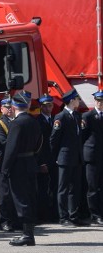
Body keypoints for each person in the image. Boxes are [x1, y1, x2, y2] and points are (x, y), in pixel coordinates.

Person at [3, 93, 43, 246]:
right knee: (30, 197)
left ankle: (27, 234)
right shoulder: (33, 121)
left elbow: (11, 149)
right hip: (30, 162)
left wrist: (5, 168)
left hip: (18, 164)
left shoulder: (17, 123)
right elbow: (40, 143)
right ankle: (29, 233)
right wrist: (34, 158)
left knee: (21, 199)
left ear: (13, 107)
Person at [51, 89, 88, 226]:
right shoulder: (61, 117)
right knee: (63, 188)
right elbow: (53, 140)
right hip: (65, 157)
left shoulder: (77, 116)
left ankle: (74, 215)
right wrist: (55, 156)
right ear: (72, 100)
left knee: (75, 188)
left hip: (76, 157)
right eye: (77, 99)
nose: (79, 101)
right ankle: (63, 217)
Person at [0, 96, 20, 232]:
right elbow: (2, 141)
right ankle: (5, 221)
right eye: (7, 107)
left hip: (16, 162)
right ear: (1, 109)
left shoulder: (17, 121)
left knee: (16, 193)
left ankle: (16, 220)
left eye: (11, 107)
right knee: (4, 195)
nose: (9, 110)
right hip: (4, 162)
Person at [35, 95, 59, 223]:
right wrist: (40, 162)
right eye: (45, 105)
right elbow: (38, 144)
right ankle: (42, 215)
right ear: (41, 107)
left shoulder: (55, 119)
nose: (48, 108)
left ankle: (54, 214)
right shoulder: (37, 121)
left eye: (50, 105)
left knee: (54, 187)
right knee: (42, 189)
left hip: (54, 159)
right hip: (43, 159)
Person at [81, 90, 103, 225]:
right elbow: (82, 137)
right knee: (93, 186)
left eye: (102, 101)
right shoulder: (87, 116)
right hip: (92, 156)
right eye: (98, 101)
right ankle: (95, 215)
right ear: (94, 101)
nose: (100, 103)